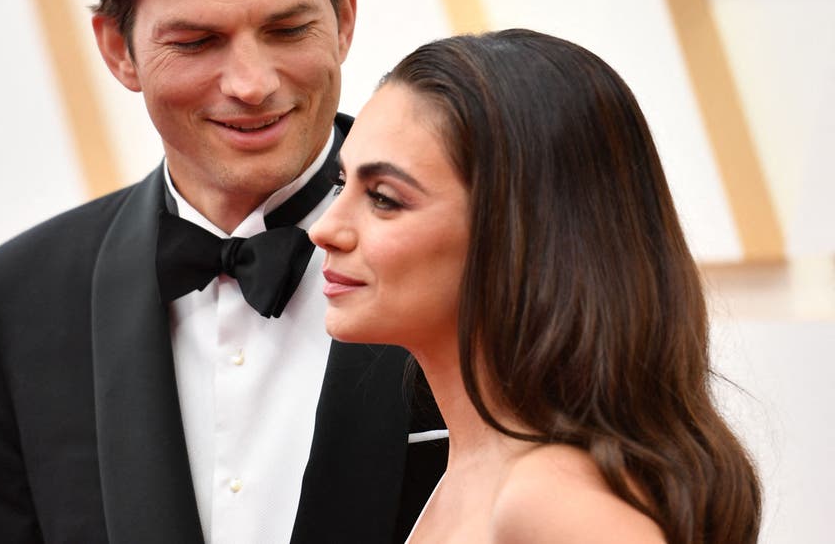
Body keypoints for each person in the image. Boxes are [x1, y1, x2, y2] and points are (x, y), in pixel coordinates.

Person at [0, 0, 445, 542]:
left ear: (344, 17)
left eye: (288, 28)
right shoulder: (22, 297)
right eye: (197, 42)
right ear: (119, 49)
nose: (251, 83)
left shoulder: (474, 245)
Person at [309, 29, 762, 544]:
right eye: (343, 185)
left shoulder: (551, 497)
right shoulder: (481, 469)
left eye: (385, 197)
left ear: (519, 232)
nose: (326, 228)